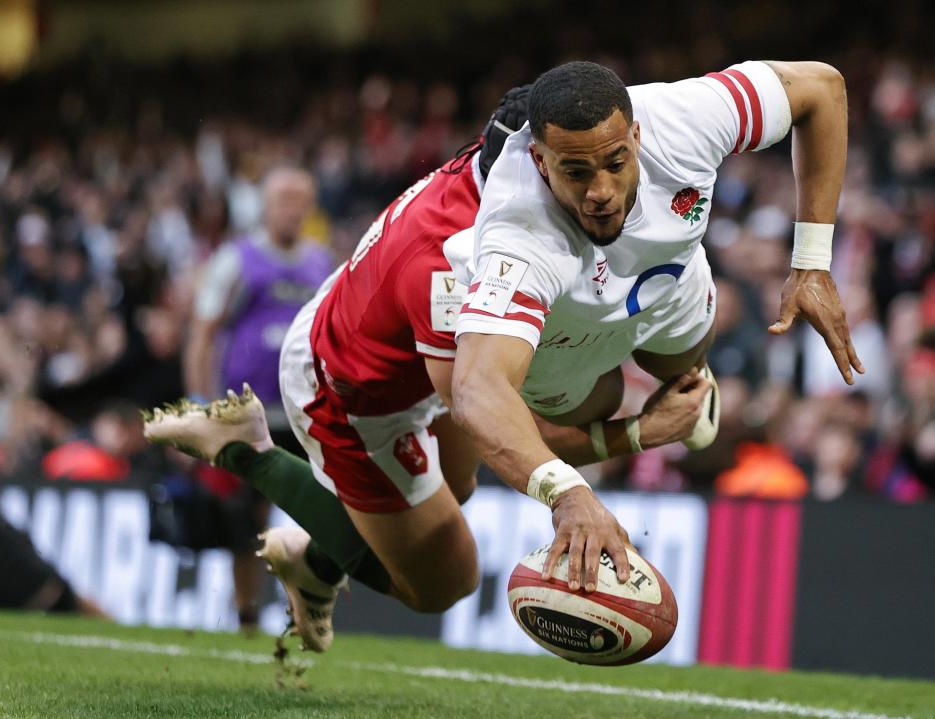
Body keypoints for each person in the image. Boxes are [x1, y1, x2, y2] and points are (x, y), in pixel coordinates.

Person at [144, 87, 710, 651]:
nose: (590, 191)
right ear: (534, 165)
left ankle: (317, 557)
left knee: (456, 488)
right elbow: (506, 435)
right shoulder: (454, 263)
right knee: (444, 583)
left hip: (413, 358)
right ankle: (254, 455)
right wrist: (643, 433)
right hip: (350, 392)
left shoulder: (495, 175)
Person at [446, 60, 863, 594]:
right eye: (576, 172)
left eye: (615, 162)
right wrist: (568, 493)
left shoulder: (687, 118)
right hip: (564, 328)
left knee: (677, 368)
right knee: (588, 410)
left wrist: (811, 262)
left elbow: (822, 89)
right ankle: (638, 421)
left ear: (637, 134)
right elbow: (476, 389)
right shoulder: (519, 230)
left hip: (670, 282)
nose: (600, 190)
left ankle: (689, 387)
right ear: (540, 162)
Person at [182, 166, 334, 630]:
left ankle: (305, 608)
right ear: (264, 206)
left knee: (317, 513)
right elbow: (203, 333)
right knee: (244, 518)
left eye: (300, 200)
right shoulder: (236, 260)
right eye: (283, 199)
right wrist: (199, 400)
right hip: (247, 411)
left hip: (304, 412)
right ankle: (246, 612)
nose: (292, 209)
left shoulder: (321, 263)